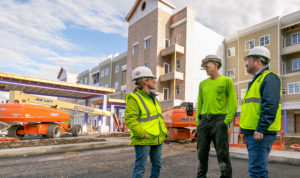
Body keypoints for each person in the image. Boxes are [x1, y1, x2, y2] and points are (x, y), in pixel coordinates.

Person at [240, 46, 281, 178]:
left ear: (258, 61)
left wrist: (261, 128)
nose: (246, 64)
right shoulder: (256, 80)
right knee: (256, 169)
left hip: (260, 133)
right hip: (252, 132)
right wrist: (244, 131)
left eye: (249, 60)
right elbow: (251, 109)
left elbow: (270, 105)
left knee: (257, 171)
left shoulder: (269, 78)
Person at [196, 55, 237, 178]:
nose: (205, 69)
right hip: (204, 120)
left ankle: (226, 176)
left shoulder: (226, 81)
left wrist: (226, 121)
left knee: (222, 152)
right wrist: (198, 121)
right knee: (201, 152)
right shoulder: (203, 84)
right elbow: (200, 103)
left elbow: (233, 102)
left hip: (219, 120)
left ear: (215, 64)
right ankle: (201, 176)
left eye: (206, 66)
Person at [125, 66, 167, 178]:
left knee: (157, 165)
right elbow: (129, 120)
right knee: (140, 167)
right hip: (144, 139)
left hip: (157, 138)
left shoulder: (154, 98)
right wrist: (143, 134)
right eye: (151, 79)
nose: (154, 81)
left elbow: (159, 118)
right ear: (144, 81)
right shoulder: (134, 98)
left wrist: (164, 132)